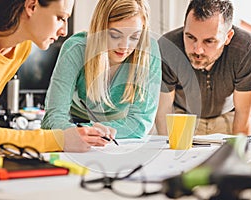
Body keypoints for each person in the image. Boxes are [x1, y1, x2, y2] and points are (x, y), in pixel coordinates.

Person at [0, 0, 116, 154]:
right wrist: (59, 140)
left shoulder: (20, 49)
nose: (64, 31)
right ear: (31, 6)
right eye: (61, 18)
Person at [41, 0, 161, 138]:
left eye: (134, 37)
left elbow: (140, 124)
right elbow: (53, 117)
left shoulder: (148, 51)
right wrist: (81, 131)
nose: (124, 46)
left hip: (120, 134)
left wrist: (94, 131)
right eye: (115, 35)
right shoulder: (77, 48)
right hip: (72, 124)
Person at [155, 0, 251, 136]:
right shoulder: (168, 48)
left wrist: (238, 155)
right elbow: (163, 114)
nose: (198, 50)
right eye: (190, 37)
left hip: (228, 118)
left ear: (228, 37)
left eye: (209, 41)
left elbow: (243, 119)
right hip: (183, 117)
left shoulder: (248, 50)